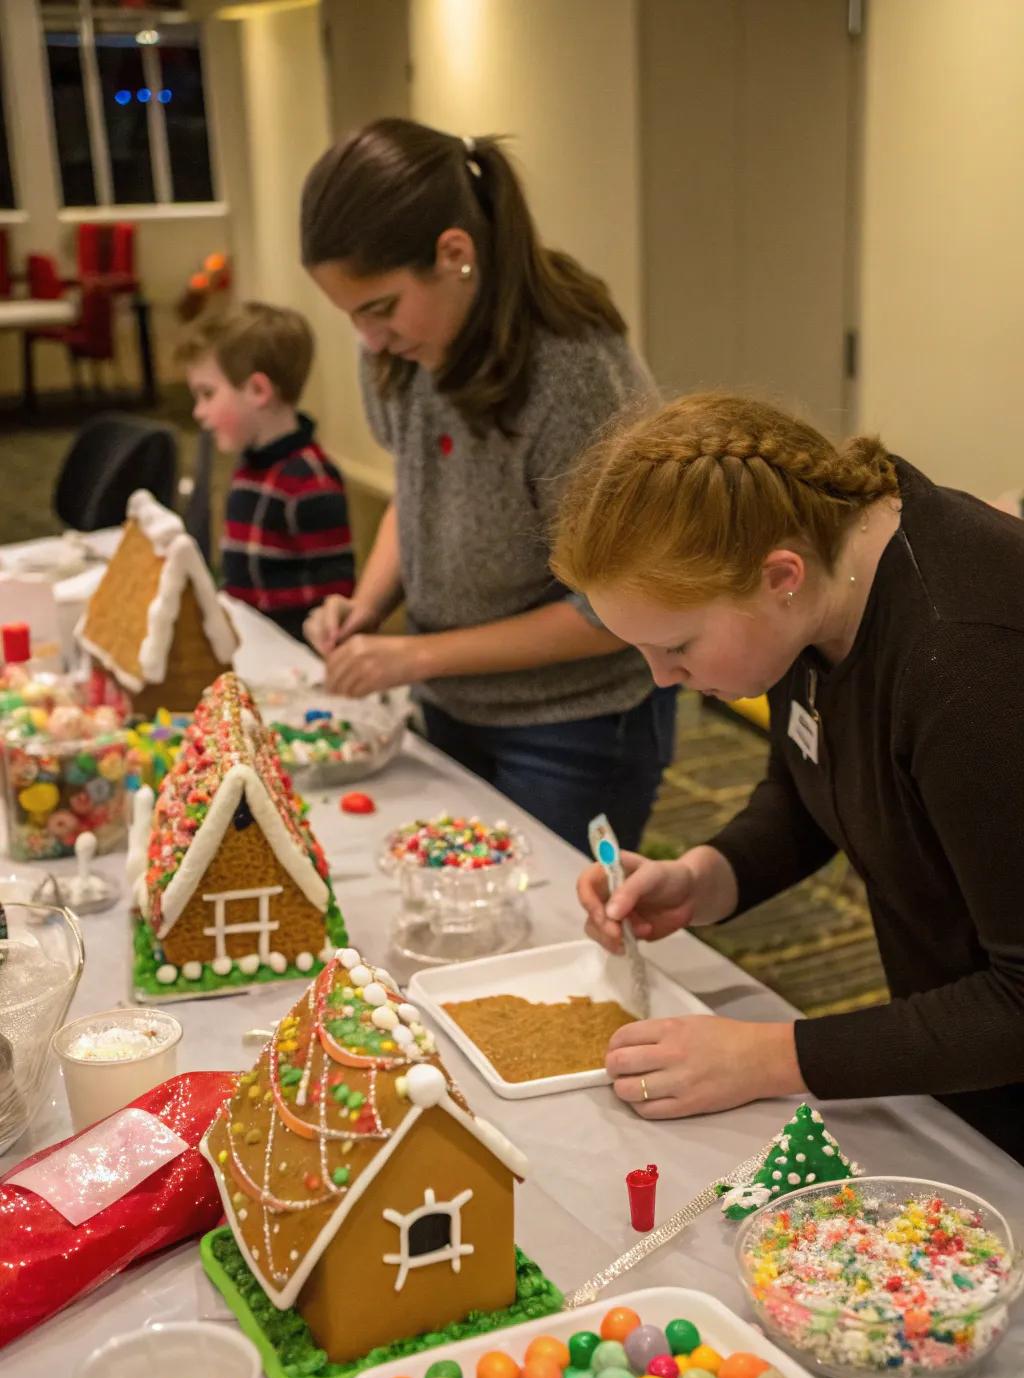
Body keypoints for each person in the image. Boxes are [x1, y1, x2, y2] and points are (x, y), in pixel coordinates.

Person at [554, 391, 1024, 1165]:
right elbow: (814, 785)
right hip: (962, 1057)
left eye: (677, 646)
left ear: (781, 575)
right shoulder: (817, 584)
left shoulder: (970, 663)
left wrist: (770, 1057)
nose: (663, 679)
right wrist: (707, 875)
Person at [299, 119, 675, 854]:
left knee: (543, 933)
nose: (369, 337)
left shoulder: (572, 370)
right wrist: (370, 607)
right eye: (351, 317)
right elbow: (418, 493)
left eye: (378, 308)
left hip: (574, 728)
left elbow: (617, 606)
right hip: (453, 703)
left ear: (455, 254)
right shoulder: (399, 351)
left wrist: (416, 656)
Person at [176, 302, 354, 643]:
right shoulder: (250, 464)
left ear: (258, 390)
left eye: (207, 394)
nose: (199, 412)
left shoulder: (310, 480)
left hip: (292, 651)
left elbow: (336, 594)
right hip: (251, 638)